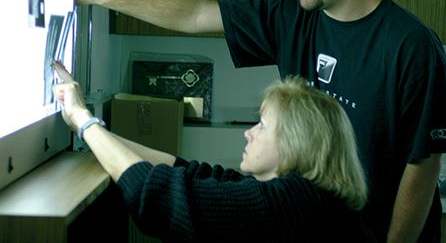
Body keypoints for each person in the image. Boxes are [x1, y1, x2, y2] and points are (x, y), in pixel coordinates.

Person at [76, 0, 446, 242]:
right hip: (308, 224)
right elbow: (196, 14)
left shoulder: (410, 45)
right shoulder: (289, 12)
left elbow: (422, 164)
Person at [53, 62, 374, 242]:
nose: (249, 133)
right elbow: (188, 172)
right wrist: (96, 132)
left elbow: (157, 194)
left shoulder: (293, 204)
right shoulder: (305, 198)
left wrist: (84, 120)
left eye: (262, 125)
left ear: (296, 141)